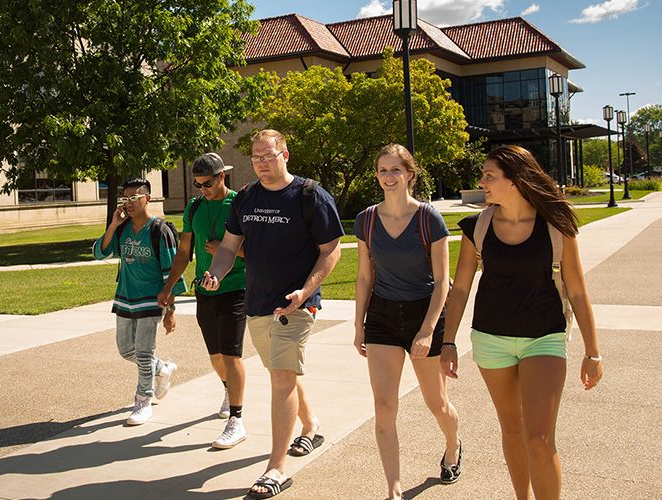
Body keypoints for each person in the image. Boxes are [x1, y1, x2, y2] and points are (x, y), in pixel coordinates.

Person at [441, 145, 603, 500]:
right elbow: (462, 288)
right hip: (490, 339)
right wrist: (448, 342)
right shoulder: (477, 227)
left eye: (489, 176)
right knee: (512, 429)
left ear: (515, 181)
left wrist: (592, 352)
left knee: (540, 439)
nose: (481, 182)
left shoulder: (556, 226)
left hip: (543, 337)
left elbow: (577, 291)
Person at [199, 129, 344, 499]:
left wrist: (306, 291)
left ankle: (275, 469)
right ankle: (310, 426)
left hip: (296, 305)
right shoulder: (246, 198)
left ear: (285, 155)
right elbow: (230, 246)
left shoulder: (311, 195)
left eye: (269, 155)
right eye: (256, 157)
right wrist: (216, 271)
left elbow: (331, 251)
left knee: (281, 377)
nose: (263, 163)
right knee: (283, 373)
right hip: (257, 302)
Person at [353, 144, 461, 500]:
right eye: (382, 170)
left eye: (395, 170)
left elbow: (443, 281)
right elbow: (365, 278)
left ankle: (452, 444)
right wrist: (358, 326)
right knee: (384, 407)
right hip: (382, 316)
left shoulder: (429, 218)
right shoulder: (366, 219)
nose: (388, 177)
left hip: (423, 314)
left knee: (437, 404)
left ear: (410, 174)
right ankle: (393, 490)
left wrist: (429, 330)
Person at [157, 152, 248, 449]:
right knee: (216, 355)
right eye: (198, 184)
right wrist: (170, 286)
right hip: (204, 291)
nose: (203, 189)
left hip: (236, 286)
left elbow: (258, 251)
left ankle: (236, 419)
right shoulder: (194, 207)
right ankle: (228, 388)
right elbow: (184, 252)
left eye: (207, 183)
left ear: (222, 176)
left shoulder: (239, 204)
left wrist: (226, 248)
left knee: (232, 354)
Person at [93, 177, 187, 426]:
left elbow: (172, 271)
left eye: (135, 198)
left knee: (144, 353)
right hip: (125, 299)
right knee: (126, 351)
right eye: (125, 198)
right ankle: (162, 368)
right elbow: (101, 252)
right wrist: (113, 225)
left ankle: (143, 401)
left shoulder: (161, 230)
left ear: (147, 198)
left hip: (151, 301)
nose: (130, 203)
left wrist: (171, 309)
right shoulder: (122, 229)